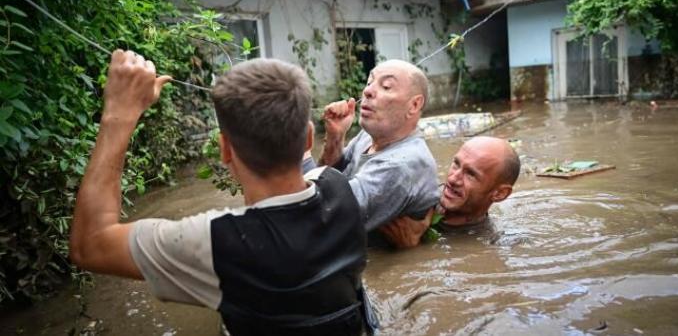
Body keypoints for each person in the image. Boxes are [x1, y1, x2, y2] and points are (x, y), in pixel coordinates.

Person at [69, 50, 372, 336]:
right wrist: (336, 136)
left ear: (224, 150)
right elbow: (310, 174)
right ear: (308, 136)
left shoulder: (215, 241)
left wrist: (118, 116)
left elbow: (91, 245)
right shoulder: (339, 185)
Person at [305, 59, 440, 232]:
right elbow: (330, 176)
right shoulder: (369, 137)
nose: (367, 91)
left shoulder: (400, 165)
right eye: (370, 82)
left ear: (414, 105)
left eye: (386, 87)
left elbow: (319, 215)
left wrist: (301, 152)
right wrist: (335, 138)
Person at [380, 136, 521, 248]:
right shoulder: (417, 195)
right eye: (456, 164)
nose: (453, 179)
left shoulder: (486, 245)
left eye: (471, 174)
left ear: (500, 193)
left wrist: (409, 249)